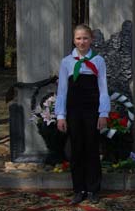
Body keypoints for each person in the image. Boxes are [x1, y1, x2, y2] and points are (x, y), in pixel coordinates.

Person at [54, 24, 110, 205]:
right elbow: (62, 90)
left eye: (85, 38)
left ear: (91, 39)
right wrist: (61, 115)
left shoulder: (98, 60)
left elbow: (103, 88)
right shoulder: (66, 62)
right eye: (78, 38)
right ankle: (79, 189)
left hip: (92, 110)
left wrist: (103, 112)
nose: (82, 42)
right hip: (73, 111)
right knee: (76, 150)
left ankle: (93, 189)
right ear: (73, 40)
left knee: (92, 149)